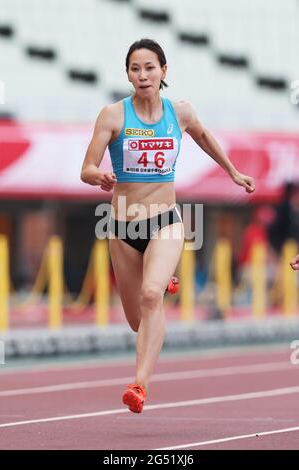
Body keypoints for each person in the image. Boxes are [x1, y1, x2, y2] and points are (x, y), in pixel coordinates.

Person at [80, 38, 255, 413]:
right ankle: (161, 283)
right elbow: (86, 168)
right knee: (135, 321)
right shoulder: (112, 115)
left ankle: (139, 385)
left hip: (165, 221)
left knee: (150, 295)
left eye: (149, 68)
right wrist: (100, 177)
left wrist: (233, 172)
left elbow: (204, 137)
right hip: (122, 228)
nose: (142, 75)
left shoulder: (181, 112)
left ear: (164, 71)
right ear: (127, 74)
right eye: (135, 69)